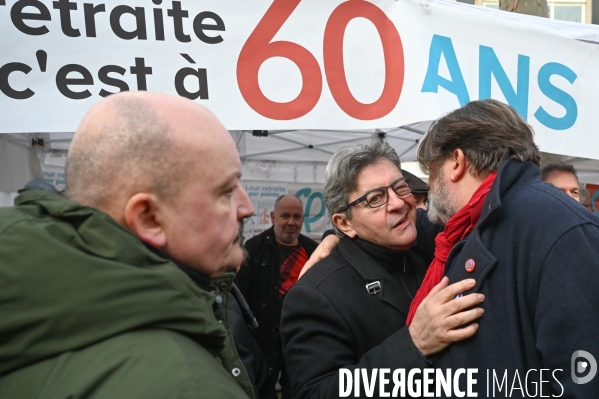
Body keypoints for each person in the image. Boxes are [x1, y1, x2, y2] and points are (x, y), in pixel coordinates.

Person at [0, 92, 256, 398]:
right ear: (148, 218)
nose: (248, 206)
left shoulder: (29, 305)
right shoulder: (184, 385)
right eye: (227, 191)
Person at [417, 99, 599, 396]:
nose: (430, 186)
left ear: (456, 162)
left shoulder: (561, 230)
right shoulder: (474, 225)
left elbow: (583, 378)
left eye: (431, 172)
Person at [280, 141, 485, 399]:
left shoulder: (426, 250)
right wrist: (414, 345)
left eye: (400, 187)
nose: (399, 203)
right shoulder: (314, 296)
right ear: (344, 223)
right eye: (375, 198)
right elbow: (317, 393)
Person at [237, 194, 318, 398]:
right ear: (273, 217)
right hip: (263, 341)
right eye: (285, 216)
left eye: (297, 217)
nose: (291, 222)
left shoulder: (314, 252)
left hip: (300, 341)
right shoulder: (253, 250)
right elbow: (241, 300)